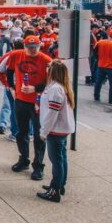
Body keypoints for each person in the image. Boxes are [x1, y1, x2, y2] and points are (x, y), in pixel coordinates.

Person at [6, 36, 52, 181]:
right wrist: (12, 88)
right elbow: (8, 72)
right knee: (21, 132)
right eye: (29, 47)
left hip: (38, 102)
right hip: (20, 100)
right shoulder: (15, 55)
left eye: (35, 47)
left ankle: (38, 166)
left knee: (39, 135)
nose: (32, 50)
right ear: (24, 46)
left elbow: (53, 82)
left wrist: (35, 88)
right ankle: (23, 159)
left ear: (40, 46)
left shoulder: (46, 60)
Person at [38, 60, 76, 203]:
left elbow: (52, 113)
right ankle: (59, 185)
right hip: (61, 129)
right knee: (61, 159)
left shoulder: (55, 89)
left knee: (56, 161)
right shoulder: (61, 87)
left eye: (49, 68)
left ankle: (55, 190)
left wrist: (44, 131)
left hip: (55, 130)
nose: (47, 69)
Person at [0, 39, 24, 140]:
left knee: (11, 108)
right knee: (27, 110)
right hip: (21, 87)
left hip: (14, 87)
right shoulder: (28, 56)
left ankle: (13, 132)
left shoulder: (9, 55)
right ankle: (26, 133)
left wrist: (6, 84)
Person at [93, 29, 112, 105]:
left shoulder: (100, 42)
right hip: (111, 67)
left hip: (101, 65)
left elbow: (94, 51)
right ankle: (111, 100)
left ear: (109, 35)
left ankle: (96, 97)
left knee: (98, 82)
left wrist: (98, 59)